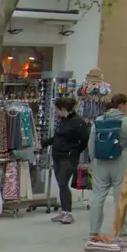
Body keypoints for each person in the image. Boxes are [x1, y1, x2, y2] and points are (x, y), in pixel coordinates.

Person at [87, 93, 127, 237]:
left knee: (97, 196)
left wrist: (93, 160)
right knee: (120, 197)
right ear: (121, 105)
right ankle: (120, 229)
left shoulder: (99, 120)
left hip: (100, 162)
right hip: (121, 161)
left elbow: (91, 144)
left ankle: (94, 230)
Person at [44, 96, 88, 225]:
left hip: (68, 157)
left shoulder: (77, 122)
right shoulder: (64, 121)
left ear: (63, 108)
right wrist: (44, 143)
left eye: (58, 109)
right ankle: (64, 211)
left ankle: (68, 212)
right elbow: (57, 137)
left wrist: (75, 151)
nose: (58, 112)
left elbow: (84, 139)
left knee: (63, 183)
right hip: (58, 156)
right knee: (61, 184)